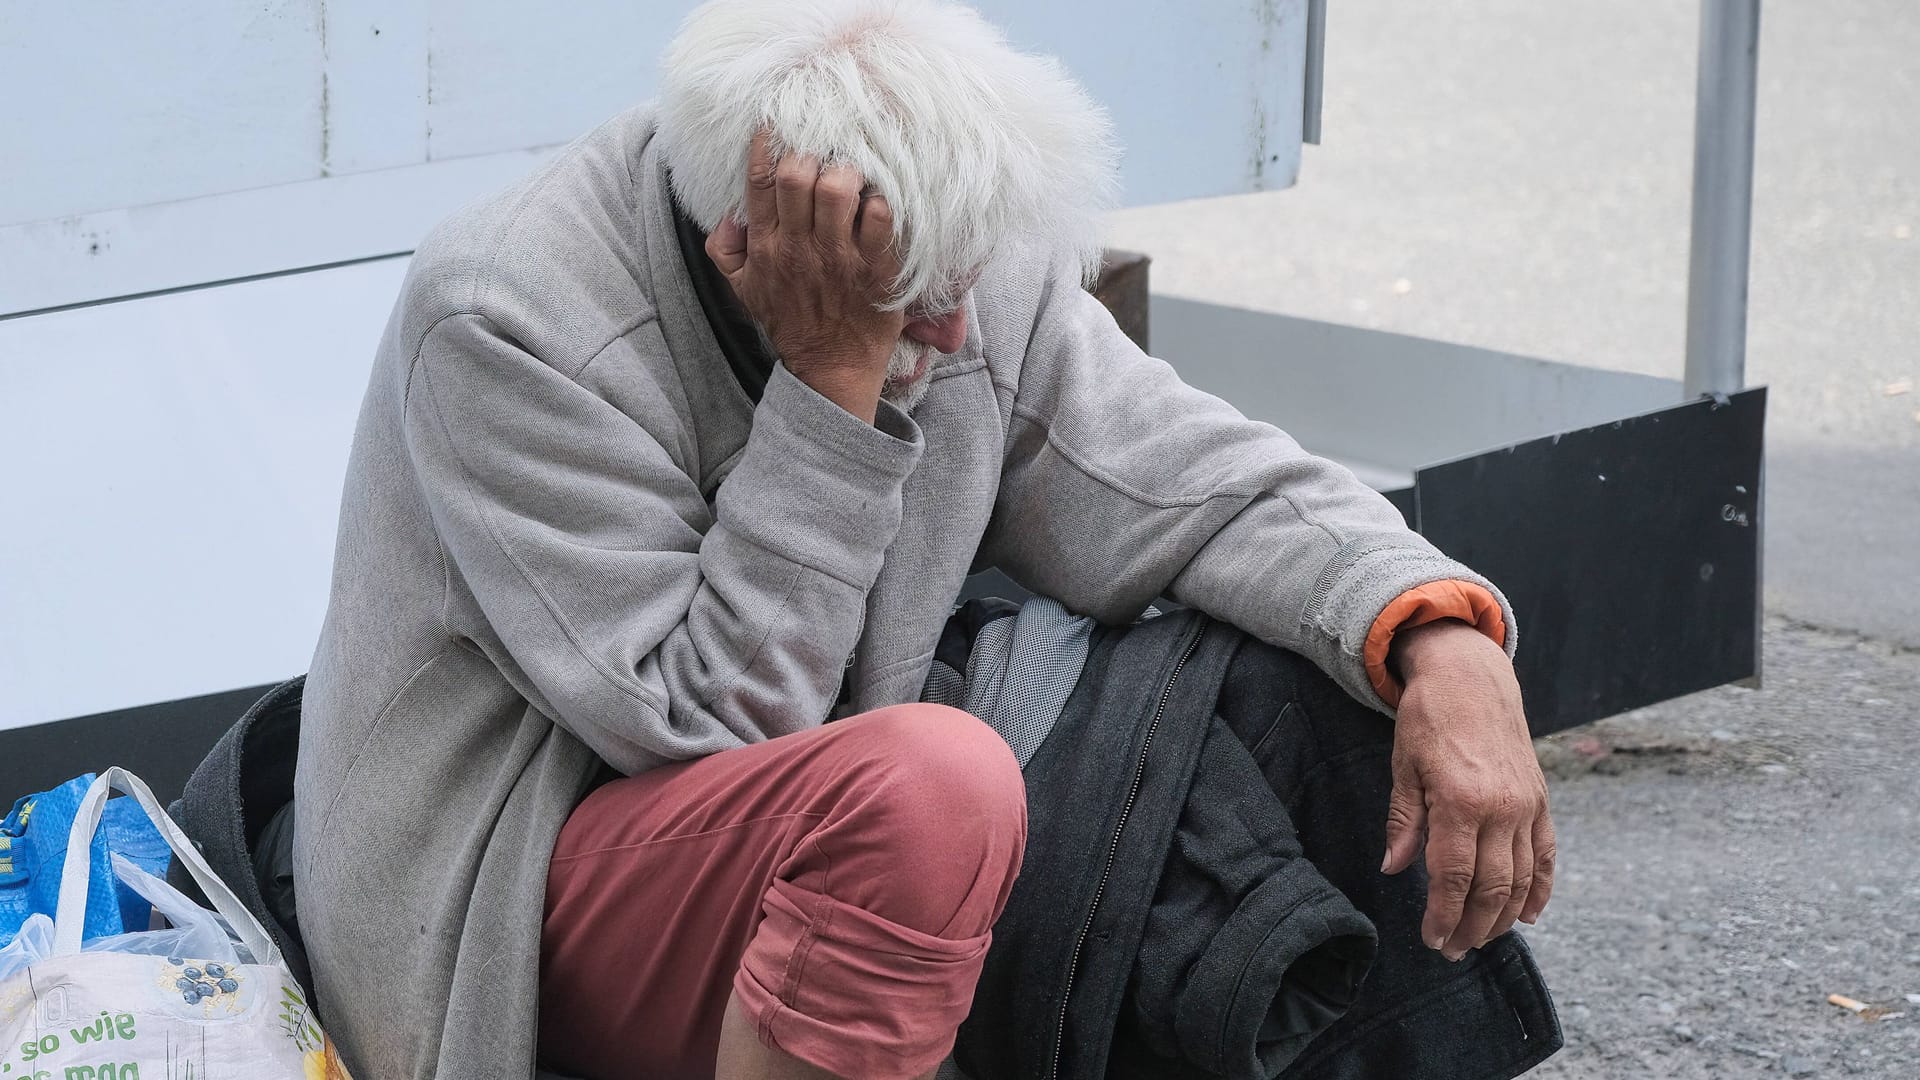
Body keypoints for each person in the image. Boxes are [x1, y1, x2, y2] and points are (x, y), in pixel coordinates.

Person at [292, 1, 1556, 1077]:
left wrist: (1439, 633)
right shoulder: (508, 312)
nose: (957, 338)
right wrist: (834, 386)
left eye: (970, 289)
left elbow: (1194, 484)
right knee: (928, 790)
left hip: (805, 809)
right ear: (753, 246)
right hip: (517, 891)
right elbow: (706, 726)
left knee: (1315, 674)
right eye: (920, 305)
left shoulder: (943, 258)